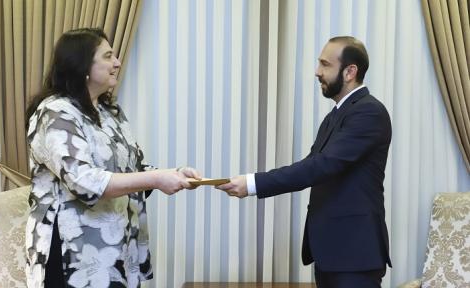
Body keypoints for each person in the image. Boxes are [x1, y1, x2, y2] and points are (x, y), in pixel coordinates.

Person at [25, 28, 201, 288]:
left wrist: (173, 173)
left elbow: (132, 169)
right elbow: (83, 180)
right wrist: (156, 178)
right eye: (108, 56)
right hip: (72, 253)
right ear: (82, 65)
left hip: (117, 249)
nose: (117, 63)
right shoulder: (54, 113)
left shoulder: (109, 111)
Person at [217, 36, 392, 288]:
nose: (317, 72)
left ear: (349, 72)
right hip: (331, 254)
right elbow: (313, 163)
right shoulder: (336, 116)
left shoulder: (368, 112)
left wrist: (252, 183)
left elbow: (322, 166)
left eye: (325, 65)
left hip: (354, 255)